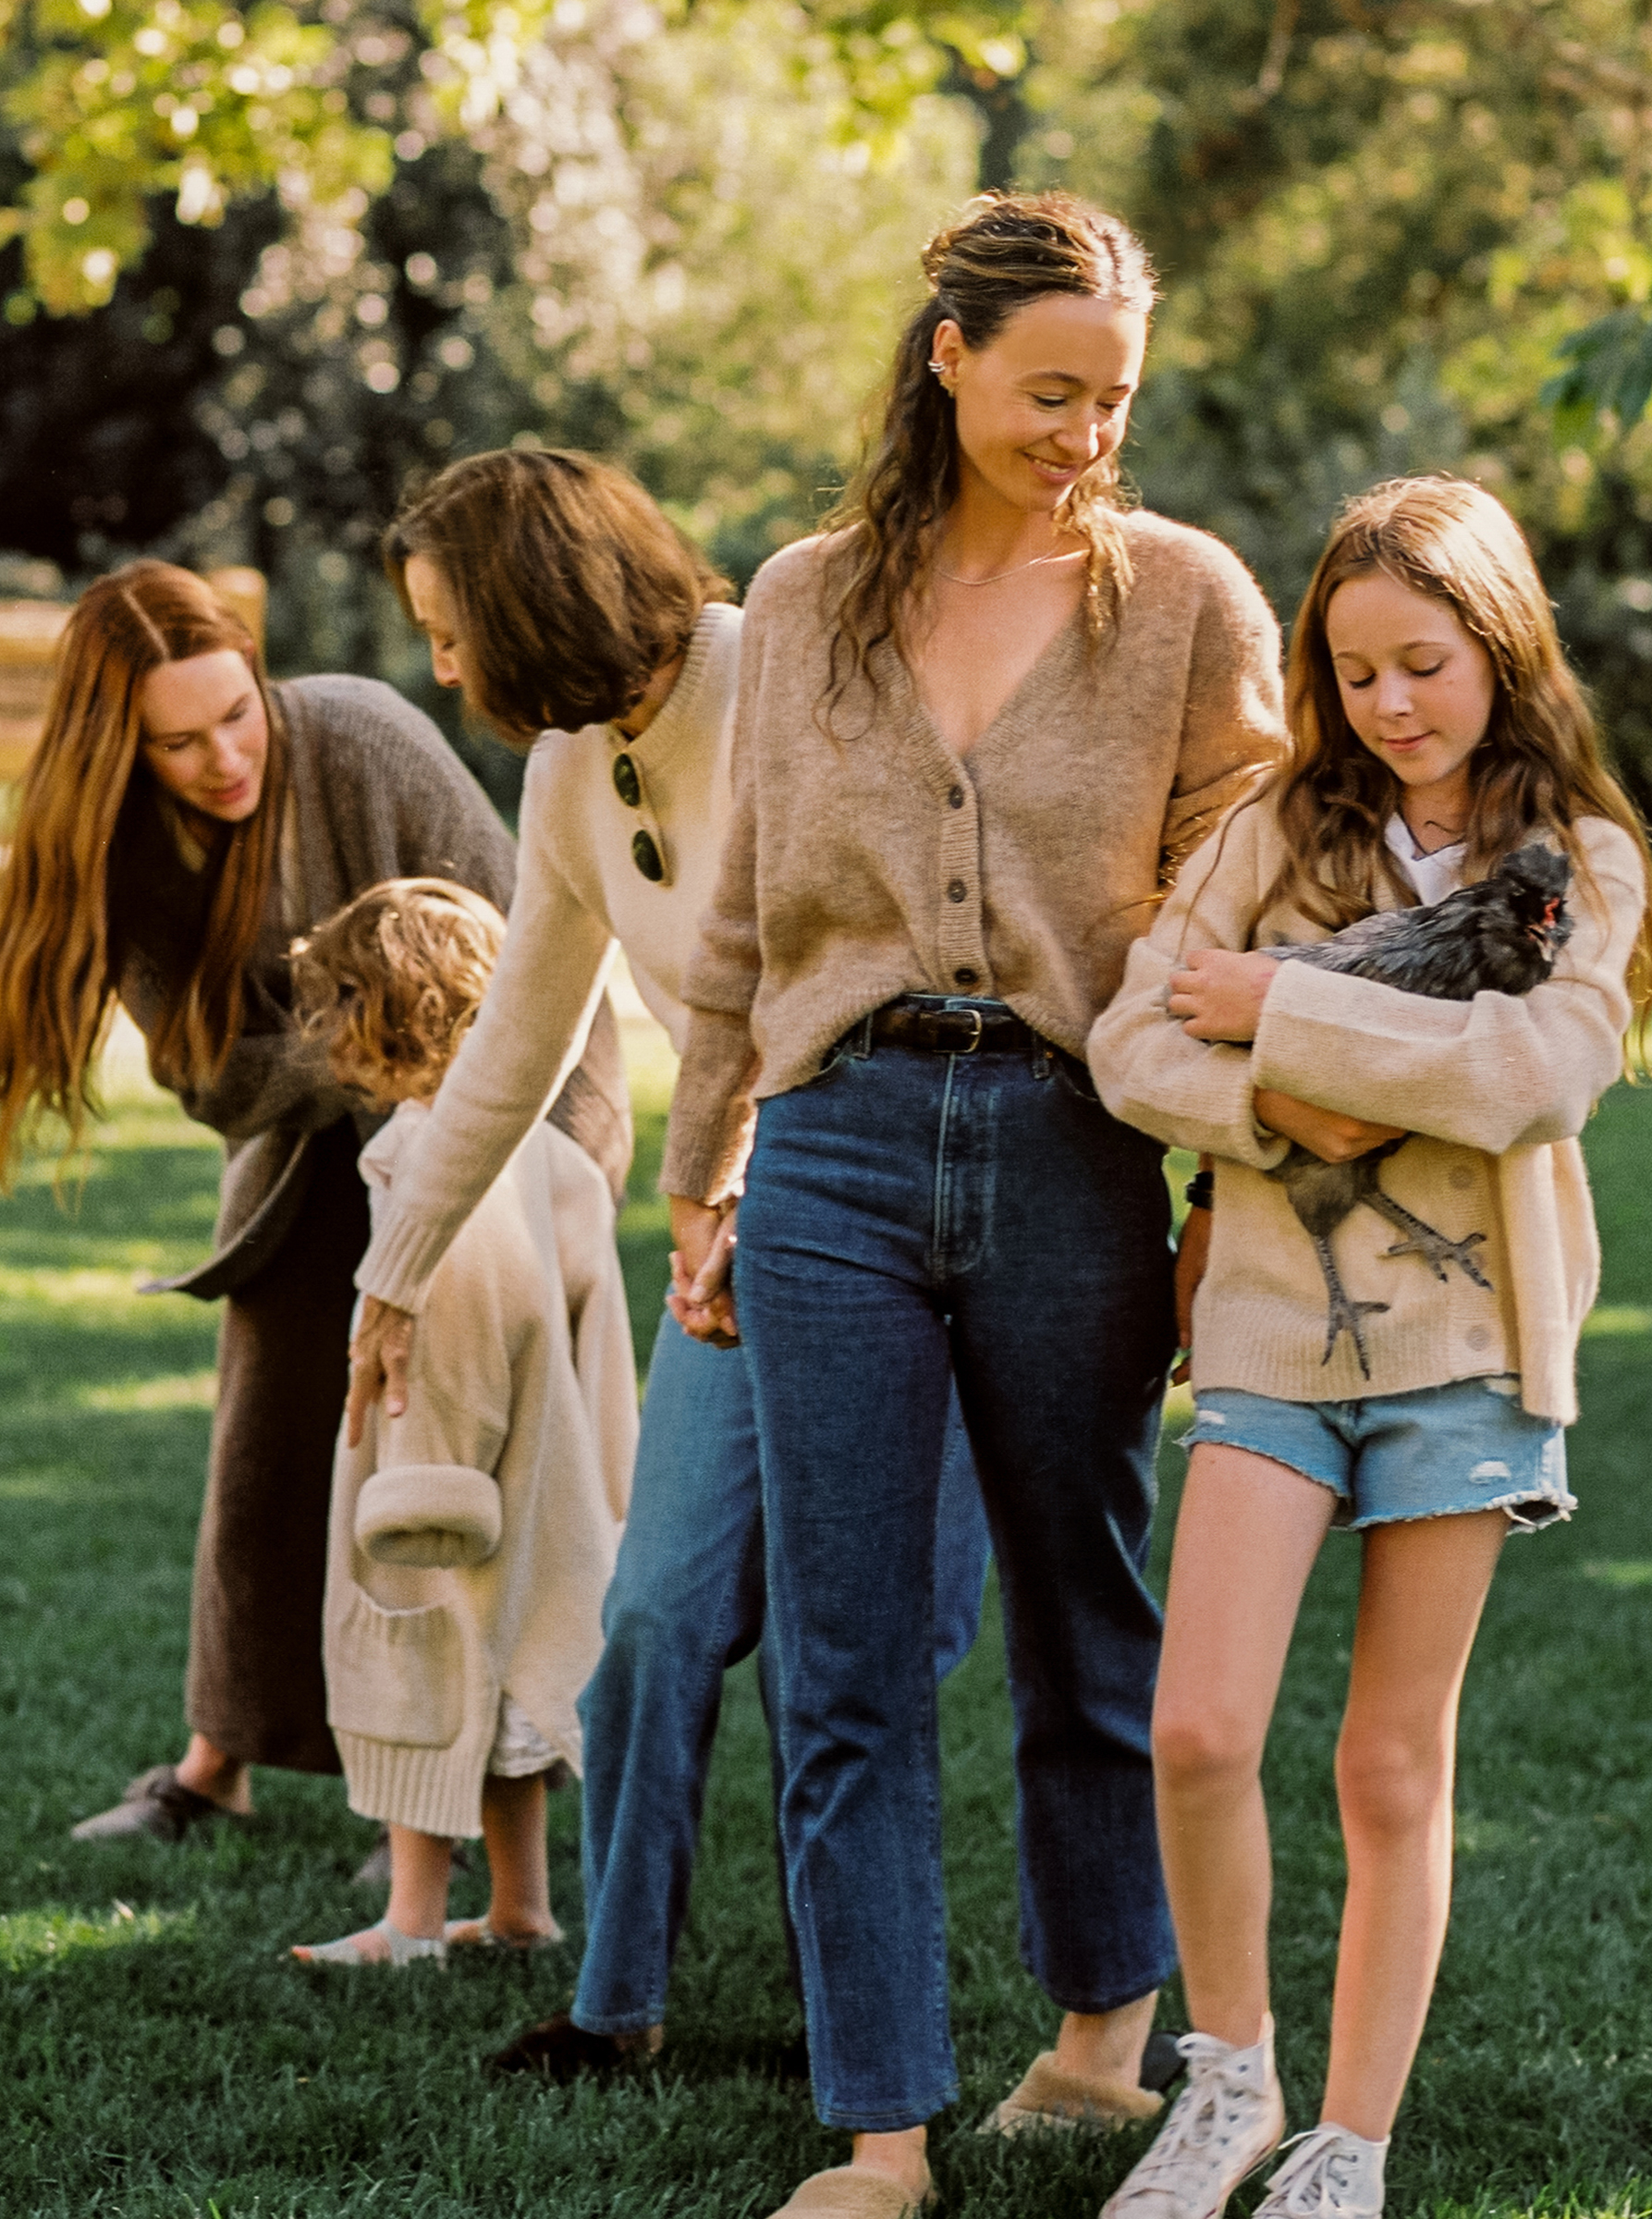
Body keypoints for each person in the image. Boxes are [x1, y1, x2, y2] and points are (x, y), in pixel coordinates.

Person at [659, 190, 1287, 2219]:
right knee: (838, 1658)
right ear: (946, 358)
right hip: (835, 1141)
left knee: (1082, 1612)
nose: (1084, 431)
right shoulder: (810, 595)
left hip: (1072, 1145)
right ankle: (882, 2130)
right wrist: (702, 1172)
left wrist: (1222, 1188)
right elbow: (741, 918)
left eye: (1113, 396)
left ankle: (1105, 2039)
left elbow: (1263, 905)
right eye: (1046, 392)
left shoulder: (1186, 600)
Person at [340, 447, 992, 2072]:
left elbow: (877, 944)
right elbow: (513, 1044)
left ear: (527, 598)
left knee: (883, 1649)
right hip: (734, 1257)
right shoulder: (571, 774)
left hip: (912, 1227)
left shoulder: (780, 667)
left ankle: (875, 2005)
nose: (442, 667)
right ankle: (613, 2002)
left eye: (449, 626)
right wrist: (393, 1272)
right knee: (652, 1622)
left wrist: (747, 1172)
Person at [1086, 475, 1652, 2219]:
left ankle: (1352, 2140)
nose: (1390, 706)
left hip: (1472, 1350)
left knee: (1389, 1761)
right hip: (1273, 1327)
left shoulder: (1584, 857)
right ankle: (1231, 2079)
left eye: (1424, 663)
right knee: (1195, 1729)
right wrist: (1286, 1111)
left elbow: (1536, 1077)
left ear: (1501, 646)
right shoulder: (1271, 830)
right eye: (1353, 674)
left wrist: (1285, 1009)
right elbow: (1130, 1040)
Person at [0, 561, 624, 1844]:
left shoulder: (359, 735)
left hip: (500, 1134)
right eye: (179, 741)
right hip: (306, 1158)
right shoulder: (122, 845)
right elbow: (207, 1078)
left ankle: (464, 1808)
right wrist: (356, 1057)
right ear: (124, 748)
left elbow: (530, 960)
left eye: (237, 713)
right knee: (276, 1449)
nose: (225, 756)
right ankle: (214, 1767)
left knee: (464, 1467)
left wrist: (538, 1177)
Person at [287, 879, 631, 1966]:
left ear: (393, 1010)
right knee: (511, 1707)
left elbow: (471, 1324)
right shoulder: (539, 1147)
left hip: (458, 1490)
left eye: (337, 999)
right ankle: (522, 1911)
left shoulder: (451, 1157)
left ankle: (413, 1922)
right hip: (548, 1485)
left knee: (434, 1685)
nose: (322, 1027)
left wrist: (424, 1476)